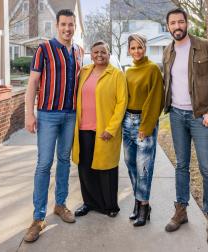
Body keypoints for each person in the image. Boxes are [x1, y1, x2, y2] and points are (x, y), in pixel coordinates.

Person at [163, 8, 208, 247]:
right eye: (172, 23)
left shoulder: (206, 47)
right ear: (168, 26)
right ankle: (181, 210)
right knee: (181, 165)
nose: (177, 26)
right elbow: (167, 82)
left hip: (201, 117)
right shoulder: (168, 51)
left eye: (180, 21)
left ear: (187, 23)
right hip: (177, 116)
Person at [23, 9, 83, 243]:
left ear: (75, 27)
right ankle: (38, 217)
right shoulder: (44, 49)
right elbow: (32, 84)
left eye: (71, 25)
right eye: (64, 24)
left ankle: (60, 204)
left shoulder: (78, 51)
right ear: (57, 26)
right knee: (44, 164)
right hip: (47, 115)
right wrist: (30, 114)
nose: (68, 29)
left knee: (65, 161)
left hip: (70, 115)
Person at [72, 41, 128, 218]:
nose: (99, 55)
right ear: (91, 54)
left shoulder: (117, 75)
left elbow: (122, 103)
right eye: (95, 52)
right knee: (85, 168)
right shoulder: (84, 72)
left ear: (109, 54)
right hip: (83, 128)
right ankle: (89, 202)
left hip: (104, 130)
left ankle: (110, 206)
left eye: (103, 52)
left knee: (107, 169)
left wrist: (111, 128)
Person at [122, 34, 164, 226]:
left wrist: (145, 127)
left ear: (145, 48)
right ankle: (138, 201)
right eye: (133, 48)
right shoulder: (128, 71)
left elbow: (156, 99)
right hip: (127, 123)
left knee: (143, 168)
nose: (136, 51)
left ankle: (144, 206)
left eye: (139, 47)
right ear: (129, 50)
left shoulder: (153, 69)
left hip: (143, 123)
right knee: (131, 164)